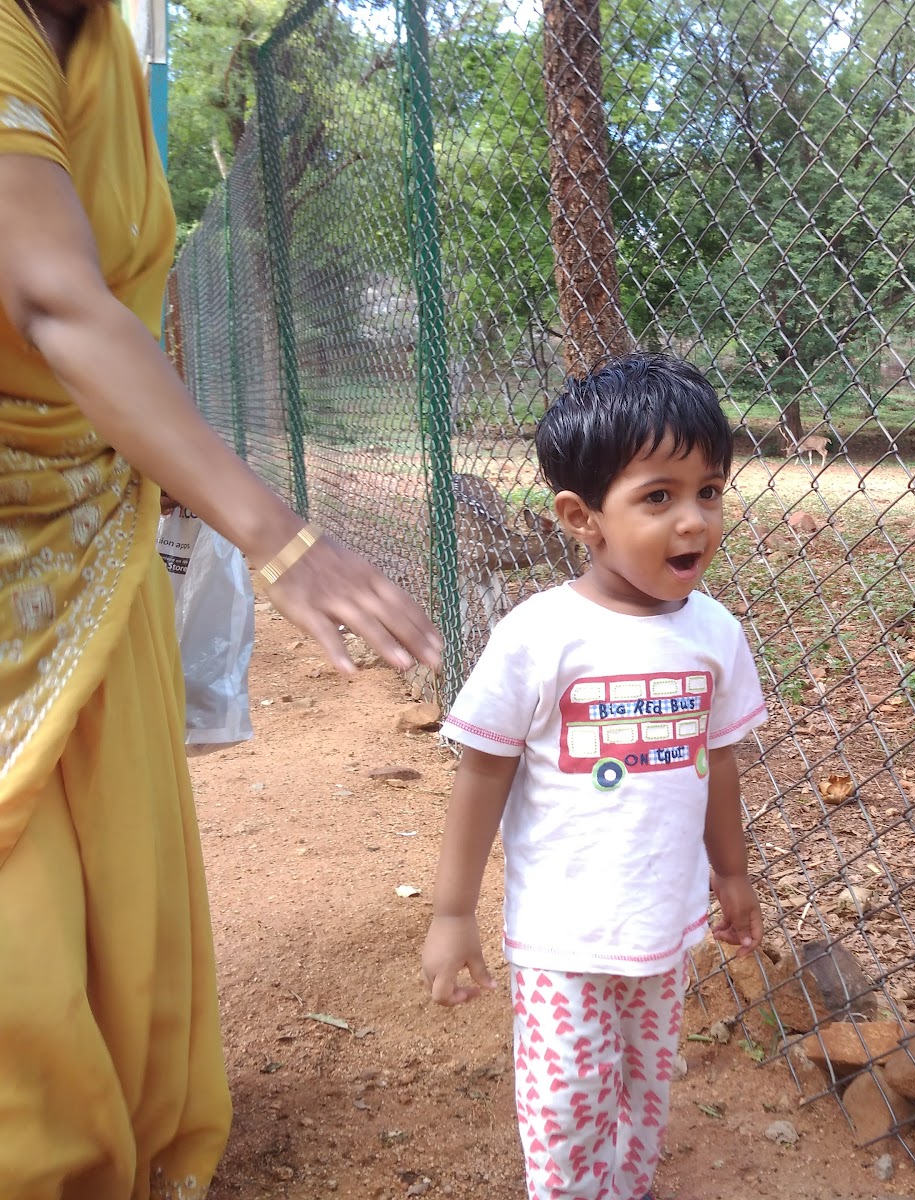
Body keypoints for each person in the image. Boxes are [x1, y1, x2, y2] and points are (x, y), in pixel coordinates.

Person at [0, 1, 442, 1196]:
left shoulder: (88, 39)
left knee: (115, 860)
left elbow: (113, 315)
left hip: (87, 520)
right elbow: (48, 299)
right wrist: (282, 543)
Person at [421, 353, 768, 1200]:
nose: (694, 521)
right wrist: (453, 912)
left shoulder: (715, 633)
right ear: (583, 517)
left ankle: (627, 1186)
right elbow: (482, 776)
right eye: (659, 498)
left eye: (710, 491)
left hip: (664, 920)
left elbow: (716, 761)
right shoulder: (539, 636)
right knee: (569, 1100)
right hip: (562, 935)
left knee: (646, 1092)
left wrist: (732, 874)